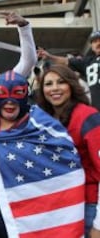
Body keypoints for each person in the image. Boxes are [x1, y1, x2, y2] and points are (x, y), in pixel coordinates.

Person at [0, 70, 86, 237]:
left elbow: (70, 171)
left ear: (26, 95)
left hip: (27, 220)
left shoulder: (42, 126)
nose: (9, 101)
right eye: (2, 93)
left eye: (17, 93)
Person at [36, 64, 100, 238]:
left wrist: (98, 225)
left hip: (89, 206)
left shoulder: (88, 116)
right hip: (62, 208)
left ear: (71, 85)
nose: (54, 88)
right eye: (48, 84)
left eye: (61, 82)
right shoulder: (43, 121)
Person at [37, 30, 100, 111]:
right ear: (92, 46)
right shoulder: (87, 62)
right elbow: (67, 61)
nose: (98, 43)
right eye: (94, 41)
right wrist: (49, 56)